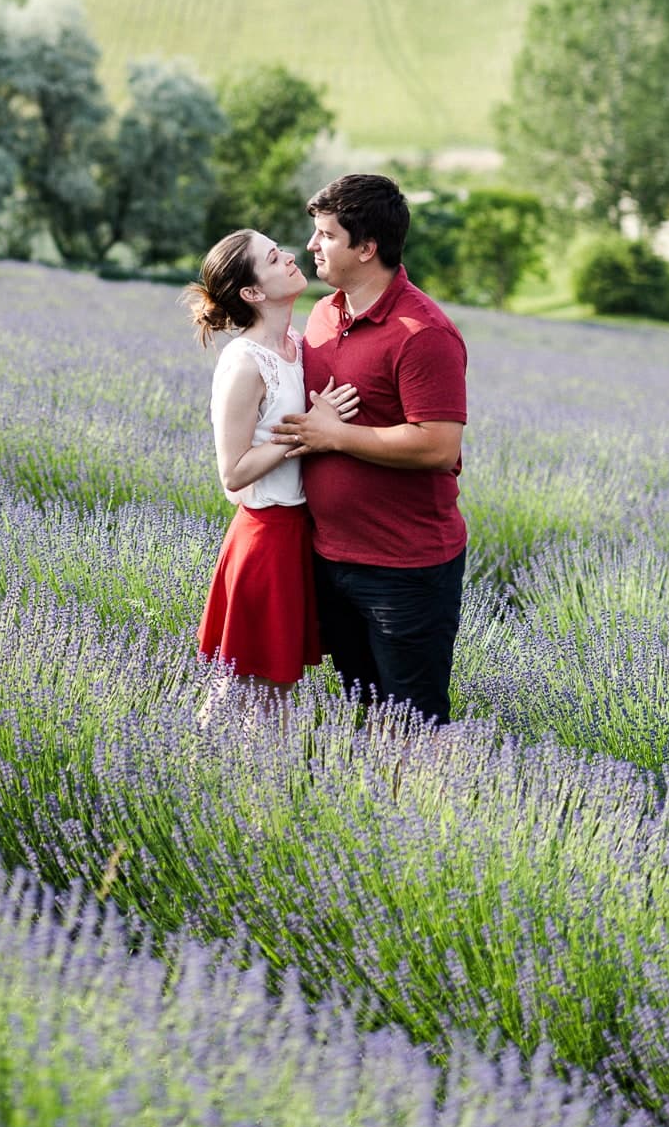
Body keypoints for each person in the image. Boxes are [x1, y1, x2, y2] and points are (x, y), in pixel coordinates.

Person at [273, 173, 468, 726]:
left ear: (366, 247)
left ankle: (428, 812)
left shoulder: (422, 332)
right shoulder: (321, 314)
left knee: (414, 722)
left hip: (404, 569)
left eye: (326, 235)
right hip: (329, 557)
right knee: (361, 712)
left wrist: (334, 436)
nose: (312, 245)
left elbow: (437, 444)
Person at [182, 227, 359, 699]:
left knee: (276, 697)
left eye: (280, 249)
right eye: (272, 257)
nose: (289, 257)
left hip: (300, 536)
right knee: (238, 694)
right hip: (263, 540)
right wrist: (308, 429)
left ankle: (261, 774)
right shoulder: (244, 362)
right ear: (253, 292)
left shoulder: (299, 346)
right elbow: (232, 474)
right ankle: (198, 771)